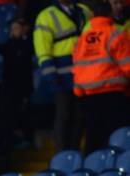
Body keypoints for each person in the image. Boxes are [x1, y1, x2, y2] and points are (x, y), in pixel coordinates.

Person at [72, 0, 130, 154]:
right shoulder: (116, 34)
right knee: (117, 137)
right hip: (113, 93)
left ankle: (91, 172)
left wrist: (78, 91)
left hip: (88, 96)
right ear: (110, 14)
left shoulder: (82, 39)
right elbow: (127, 65)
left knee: (93, 138)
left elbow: (77, 66)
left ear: (92, 15)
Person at [33, 0, 91, 150]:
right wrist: (50, 74)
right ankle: (62, 153)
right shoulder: (46, 15)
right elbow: (42, 47)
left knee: (80, 116)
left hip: (82, 74)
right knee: (64, 114)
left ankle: (74, 152)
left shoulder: (84, 11)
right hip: (61, 75)